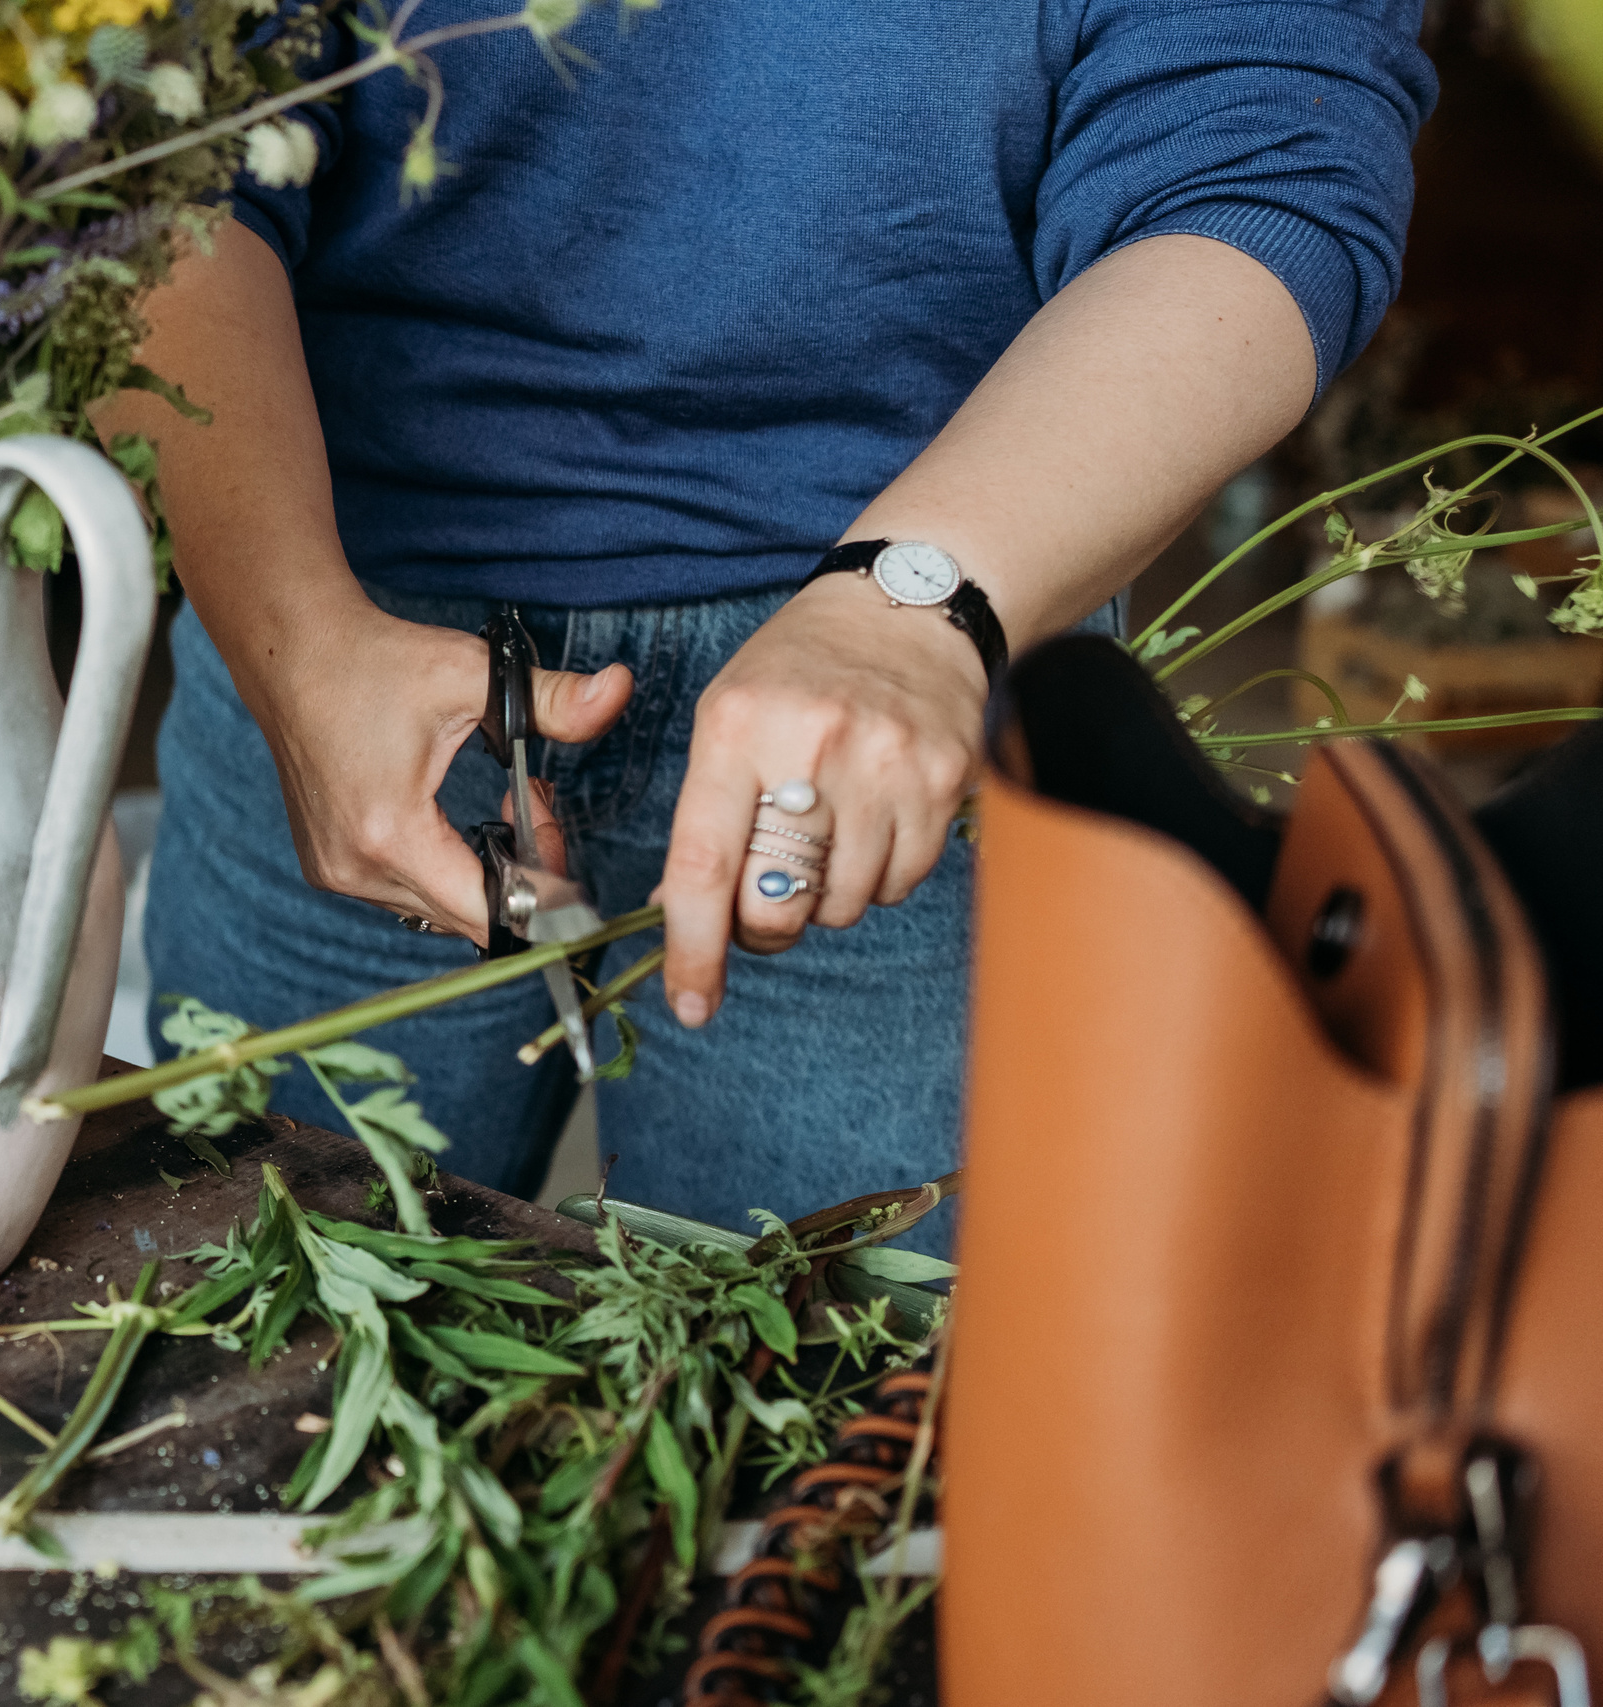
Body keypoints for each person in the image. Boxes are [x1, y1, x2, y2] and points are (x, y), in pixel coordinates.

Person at [93, 0, 1435, 1246]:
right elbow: (141, 149)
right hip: (344, 630)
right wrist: (296, 639)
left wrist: (916, 602)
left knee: (840, 1404)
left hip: (902, 688)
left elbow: (1259, 160)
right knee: (242, 1349)